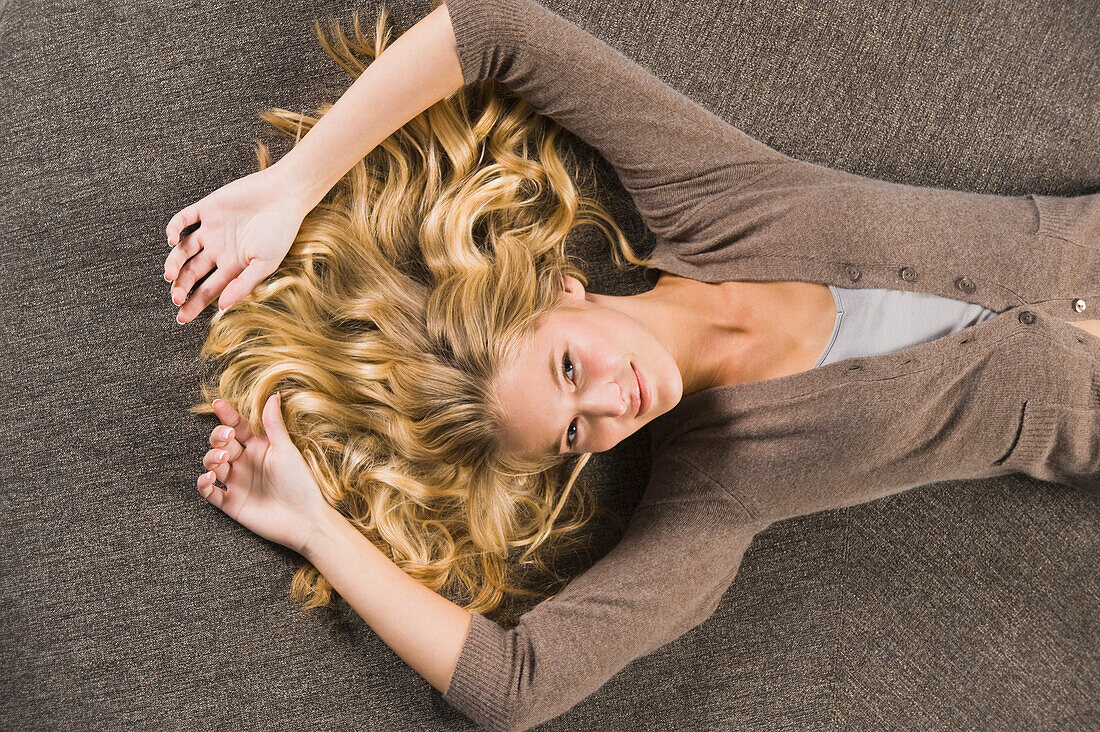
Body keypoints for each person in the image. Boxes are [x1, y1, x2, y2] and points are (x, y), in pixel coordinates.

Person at [163, 1, 1099, 730]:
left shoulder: (716, 201)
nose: (615, 406)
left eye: (571, 370)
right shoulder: (718, 492)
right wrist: (317, 527)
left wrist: (294, 186)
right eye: (574, 433)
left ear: (565, 288)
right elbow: (516, 688)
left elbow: (495, 30)